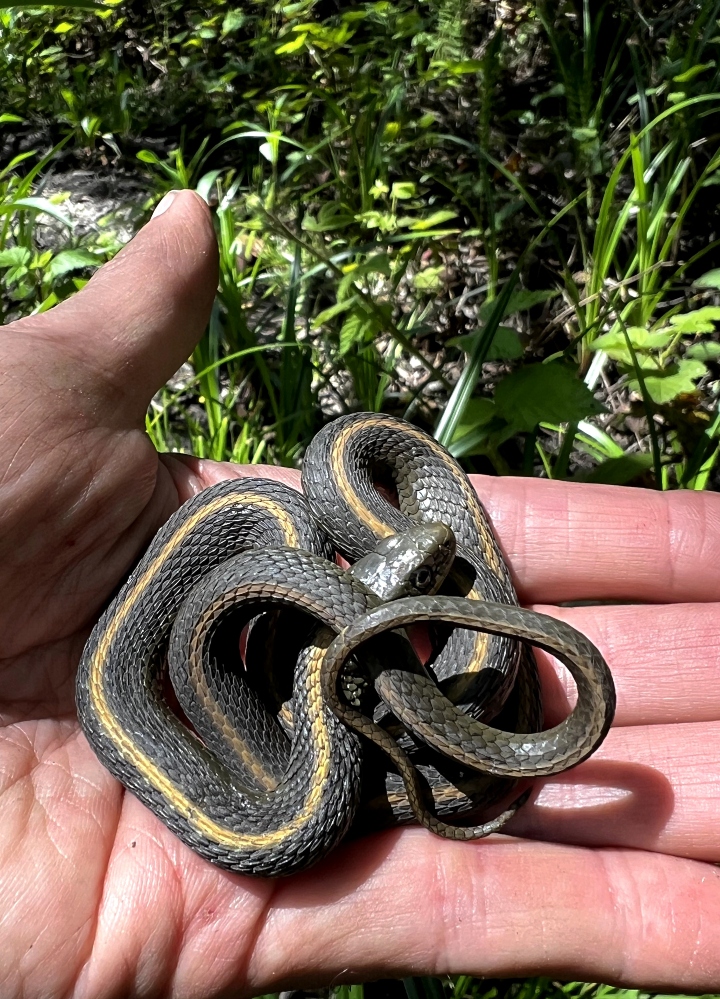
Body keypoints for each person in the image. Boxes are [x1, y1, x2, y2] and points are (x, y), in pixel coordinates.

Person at [0, 189, 718, 997]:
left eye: (416, 574)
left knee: (319, 569)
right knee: (281, 559)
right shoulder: (268, 547)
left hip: (322, 681)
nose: (434, 554)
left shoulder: (316, 533)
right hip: (269, 741)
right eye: (415, 579)